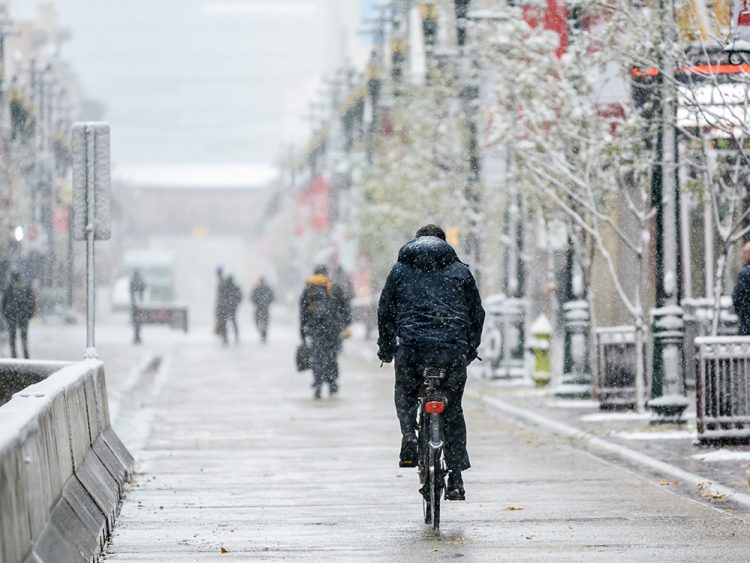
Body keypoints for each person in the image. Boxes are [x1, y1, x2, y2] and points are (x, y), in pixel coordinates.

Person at [377, 224, 484, 501]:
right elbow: (477, 313)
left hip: (412, 348)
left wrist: (386, 347)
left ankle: (409, 436)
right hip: (451, 350)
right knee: (453, 408)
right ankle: (457, 478)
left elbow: (385, 310)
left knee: (405, 392)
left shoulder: (400, 271)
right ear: (445, 244)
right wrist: (470, 346)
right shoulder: (460, 271)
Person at [299, 265, 351, 399]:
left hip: (315, 329)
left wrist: (302, 331)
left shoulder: (308, 289)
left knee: (317, 357)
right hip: (333, 329)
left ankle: (318, 383)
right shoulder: (334, 287)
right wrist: (346, 323)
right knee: (332, 356)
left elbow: (303, 312)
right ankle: (332, 383)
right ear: (326, 273)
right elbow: (345, 306)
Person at [2, 270, 36, 359]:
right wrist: (29, 314)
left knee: (12, 337)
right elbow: (32, 301)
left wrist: (5, 315)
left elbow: (3, 304)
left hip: (12, 316)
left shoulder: (8, 288)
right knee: (24, 337)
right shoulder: (25, 287)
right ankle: (26, 355)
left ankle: (14, 356)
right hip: (23, 315)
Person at [733, 241, 750, 335]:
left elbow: (737, 298)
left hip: (747, 326)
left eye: (744, 252)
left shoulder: (745, 274)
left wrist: (743, 313)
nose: (741, 255)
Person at [251, 277, 274, 342]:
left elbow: (252, 297)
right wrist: (267, 302)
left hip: (260, 307)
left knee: (258, 320)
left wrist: (257, 302)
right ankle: (263, 333)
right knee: (264, 321)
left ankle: (263, 332)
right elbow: (272, 297)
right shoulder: (267, 289)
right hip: (263, 307)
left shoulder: (258, 288)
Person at [224, 275, 243, 344]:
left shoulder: (226, 287)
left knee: (226, 322)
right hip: (233, 307)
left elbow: (222, 297)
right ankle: (236, 336)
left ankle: (225, 337)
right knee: (233, 321)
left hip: (227, 307)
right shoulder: (235, 287)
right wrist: (235, 303)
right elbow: (240, 297)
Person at [130, 269, 146, 344]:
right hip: (140, 305)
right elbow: (144, 288)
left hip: (134, 305)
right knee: (139, 321)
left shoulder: (133, 281)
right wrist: (141, 297)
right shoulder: (140, 280)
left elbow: (130, 290)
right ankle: (138, 336)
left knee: (135, 322)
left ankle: (136, 336)